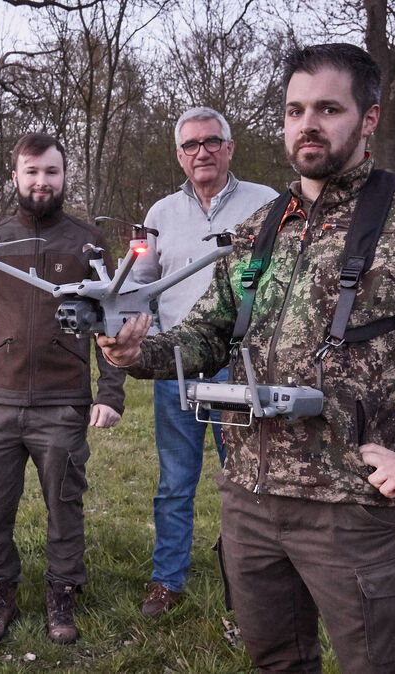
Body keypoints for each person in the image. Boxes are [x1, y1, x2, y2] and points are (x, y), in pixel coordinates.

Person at [97, 44, 395, 672]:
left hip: (351, 509)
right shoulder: (262, 226)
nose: (307, 124)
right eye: (294, 110)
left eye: (328, 109)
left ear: (368, 118)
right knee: (277, 660)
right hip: (249, 502)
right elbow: (208, 334)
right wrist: (137, 350)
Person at [0, 132, 127, 644]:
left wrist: (110, 393)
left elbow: (112, 321)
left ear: (64, 176)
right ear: (15, 177)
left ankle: (62, 593)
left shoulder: (88, 243)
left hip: (62, 403)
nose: (41, 181)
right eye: (32, 172)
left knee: (65, 504)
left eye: (51, 172)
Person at [131, 106, 277, 618]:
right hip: (177, 368)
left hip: (243, 368)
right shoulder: (159, 214)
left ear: (229, 147)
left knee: (246, 479)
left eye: (212, 141)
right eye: (191, 145)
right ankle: (167, 580)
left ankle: (253, 580)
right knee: (175, 480)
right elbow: (141, 285)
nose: (202, 152)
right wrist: (145, 336)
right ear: (179, 155)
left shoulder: (268, 204)